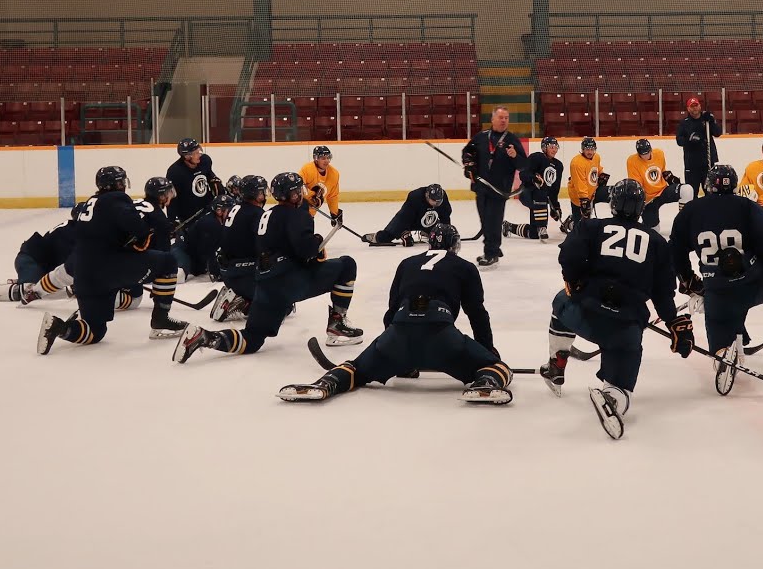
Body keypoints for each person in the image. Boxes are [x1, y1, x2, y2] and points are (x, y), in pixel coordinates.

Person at [277, 223, 514, 405]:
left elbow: (390, 312)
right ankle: (487, 382)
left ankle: (327, 382)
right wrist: (487, 351)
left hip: (399, 330)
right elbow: (477, 314)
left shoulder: (407, 263)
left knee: (356, 368)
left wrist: (394, 354)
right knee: (499, 368)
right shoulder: (465, 267)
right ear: (455, 245)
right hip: (441, 334)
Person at [538, 179, 695, 439]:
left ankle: (556, 365)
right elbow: (663, 293)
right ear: (641, 207)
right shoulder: (657, 242)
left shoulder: (590, 226)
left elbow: (568, 256)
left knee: (561, 301)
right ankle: (613, 398)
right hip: (626, 328)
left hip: (586, 315)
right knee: (621, 387)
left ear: (612, 203)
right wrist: (673, 322)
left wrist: (574, 281)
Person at [171, 171, 363, 363]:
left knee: (252, 339)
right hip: (289, 283)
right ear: (294, 195)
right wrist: (317, 244)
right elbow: (306, 252)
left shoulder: (267, 214)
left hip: (264, 285)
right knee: (347, 265)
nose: (301, 194)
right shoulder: (297, 216)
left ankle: (204, 337)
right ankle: (337, 324)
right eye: (299, 191)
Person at [669, 165, 763, 390]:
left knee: (719, 323)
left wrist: (689, 282)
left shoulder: (690, 211)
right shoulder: (748, 207)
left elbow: (674, 253)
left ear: (708, 186)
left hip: (715, 290)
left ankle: (723, 352)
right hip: (750, 285)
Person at [36, 166, 188, 355]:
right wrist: (153, 230)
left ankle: (59, 328)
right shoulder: (117, 199)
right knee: (167, 262)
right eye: (122, 182)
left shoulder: (90, 203)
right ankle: (161, 320)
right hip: (108, 267)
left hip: (83, 273)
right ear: (117, 184)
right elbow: (138, 231)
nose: (124, 186)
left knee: (95, 330)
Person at [0, 207, 81, 303]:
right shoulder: (72, 234)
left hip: (40, 261)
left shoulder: (72, 228)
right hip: (30, 261)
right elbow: (69, 268)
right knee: (33, 291)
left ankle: (25, 279)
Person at [462, 107, 527, 267]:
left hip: (499, 190)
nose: (503, 120)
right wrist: (469, 164)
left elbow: (524, 165)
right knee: (485, 222)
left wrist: (515, 156)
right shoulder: (482, 137)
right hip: (481, 188)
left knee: (493, 222)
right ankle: (494, 248)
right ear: (492, 119)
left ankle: (491, 253)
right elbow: (467, 152)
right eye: (500, 117)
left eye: (506, 117)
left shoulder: (512, 140)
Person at [208, 175, 267, 323]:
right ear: (254, 194)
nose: (264, 195)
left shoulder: (235, 208)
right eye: (261, 192)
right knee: (281, 305)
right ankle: (240, 300)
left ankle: (239, 294)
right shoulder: (256, 213)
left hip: (228, 271)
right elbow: (263, 245)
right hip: (243, 274)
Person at [505, 136, 564, 242]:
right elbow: (523, 174)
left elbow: (554, 190)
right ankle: (542, 228)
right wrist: (534, 179)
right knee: (540, 193)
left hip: (540, 200)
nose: (554, 149)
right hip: (527, 193)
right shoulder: (536, 157)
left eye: (556, 147)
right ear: (544, 148)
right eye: (551, 147)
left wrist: (555, 207)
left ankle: (509, 227)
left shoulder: (558, 165)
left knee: (534, 234)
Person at [173, 193, 235, 282]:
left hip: (194, 253)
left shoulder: (218, 221)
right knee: (180, 277)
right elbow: (209, 251)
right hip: (182, 251)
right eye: (229, 210)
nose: (232, 213)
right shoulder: (210, 223)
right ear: (219, 211)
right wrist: (217, 273)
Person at [365, 184, 451, 246]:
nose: (435, 204)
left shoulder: (443, 197)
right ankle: (376, 237)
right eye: (433, 201)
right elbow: (404, 218)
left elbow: (445, 215)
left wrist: (446, 231)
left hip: (429, 221)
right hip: (411, 220)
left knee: (439, 236)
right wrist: (403, 232)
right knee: (386, 237)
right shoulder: (415, 197)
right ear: (427, 196)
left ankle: (426, 232)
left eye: (438, 202)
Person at [166, 138, 224, 224]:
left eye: (199, 151)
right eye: (196, 153)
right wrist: (172, 220)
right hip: (188, 216)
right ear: (186, 156)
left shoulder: (204, 160)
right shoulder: (175, 172)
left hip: (207, 210)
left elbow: (209, 174)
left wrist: (215, 181)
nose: (200, 154)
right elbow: (172, 198)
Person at [627, 138, 682, 229]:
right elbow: (637, 184)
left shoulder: (659, 153)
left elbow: (662, 171)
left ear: (651, 149)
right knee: (655, 231)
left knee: (687, 190)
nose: (646, 156)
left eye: (647, 152)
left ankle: (683, 221)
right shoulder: (632, 161)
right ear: (638, 153)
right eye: (643, 154)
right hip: (648, 199)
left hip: (663, 191)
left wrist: (670, 178)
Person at [674, 96, 721, 197]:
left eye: (696, 105)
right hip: (692, 165)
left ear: (700, 106)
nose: (694, 108)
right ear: (688, 108)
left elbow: (717, 133)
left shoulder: (707, 120)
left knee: (711, 194)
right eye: (692, 106)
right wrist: (689, 140)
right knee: (691, 194)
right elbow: (679, 140)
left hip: (708, 164)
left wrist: (712, 121)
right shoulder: (685, 123)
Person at [564, 136, 609, 233]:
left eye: (592, 149)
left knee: (612, 192)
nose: (590, 152)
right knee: (581, 229)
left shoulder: (596, 157)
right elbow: (580, 183)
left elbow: (597, 168)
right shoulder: (577, 163)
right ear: (582, 149)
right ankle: (569, 224)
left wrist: (601, 175)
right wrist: (584, 200)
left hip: (593, 192)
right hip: (579, 197)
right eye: (587, 149)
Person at [300, 145, 343, 227]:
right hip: (298, 208)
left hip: (311, 213)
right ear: (316, 158)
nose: (326, 161)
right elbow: (300, 185)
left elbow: (332, 196)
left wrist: (335, 213)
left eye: (328, 157)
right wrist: (310, 196)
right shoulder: (307, 169)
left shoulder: (334, 174)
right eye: (323, 158)